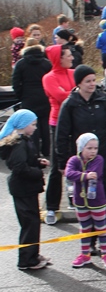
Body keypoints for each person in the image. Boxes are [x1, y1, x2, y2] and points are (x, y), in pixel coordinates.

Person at [56, 65, 106, 256]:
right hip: (82, 161)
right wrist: (62, 163)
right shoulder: (70, 104)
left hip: (103, 158)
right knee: (84, 200)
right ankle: (89, 241)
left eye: (94, 80)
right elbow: (62, 134)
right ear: (79, 84)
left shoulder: (104, 99)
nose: (93, 84)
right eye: (88, 81)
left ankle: (104, 239)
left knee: (102, 198)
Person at [0, 110, 51, 270]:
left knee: (32, 221)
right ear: (23, 125)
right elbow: (19, 167)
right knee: (30, 223)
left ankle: (33, 255)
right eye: (33, 124)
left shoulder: (23, 141)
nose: (36, 128)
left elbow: (25, 161)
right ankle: (27, 260)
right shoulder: (19, 143)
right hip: (23, 189)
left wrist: (37, 162)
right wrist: (37, 172)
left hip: (26, 188)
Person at [65, 133, 106, 268]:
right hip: (80, 201)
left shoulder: (99, 159)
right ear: (81, 148)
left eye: (95, 148)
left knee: (101, 229)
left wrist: (81, 176)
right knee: (84, 229)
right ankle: (84, 255)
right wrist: (84, 176)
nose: (93, 151)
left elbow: (95, 173)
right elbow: (69, 173)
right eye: (89, 148)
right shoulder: (74, 160)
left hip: (98, 201)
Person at [42, 44, 75, 224]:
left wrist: (71, 93)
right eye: (68, 55)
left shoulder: (73, 72)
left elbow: (69, 95)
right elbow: (61, 97)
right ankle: (51, 207)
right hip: (57, 124)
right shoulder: (49, 78)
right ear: (58, 59)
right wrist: (76, 91)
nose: (72, 58)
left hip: (76, 121)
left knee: (79, 163)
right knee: (57, 167)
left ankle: (76, 199)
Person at [12, 38, 52, 158]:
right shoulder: (46, 63)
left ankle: (34, 152)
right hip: (44, 96)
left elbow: (15, 82)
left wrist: (20, 96)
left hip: (28, 97)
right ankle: (46, 150)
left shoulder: (21, 64)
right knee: (45, 124)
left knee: (31, 125)